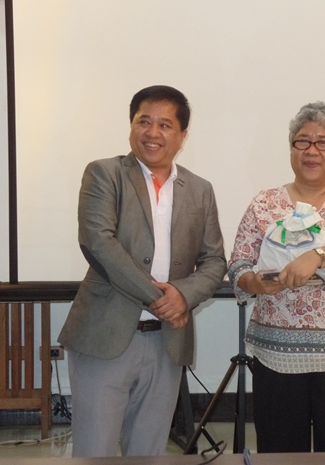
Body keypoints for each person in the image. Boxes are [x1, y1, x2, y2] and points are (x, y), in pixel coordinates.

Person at [58, 85, 227, 457]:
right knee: (95, 452)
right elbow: (98, 242)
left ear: (182, 135)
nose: (152, 133)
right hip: (105, 337)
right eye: (143, 122)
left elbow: (215, 261)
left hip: (167, 343)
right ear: (131, 126)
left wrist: (183, 295)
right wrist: (162, 299)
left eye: (165, 125)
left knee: (149, 453)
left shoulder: (200, 189)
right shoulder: (105, 173)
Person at [228, 101, 325, 453]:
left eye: (323, 142)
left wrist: (317, 256)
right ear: (291, 149)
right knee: (280, 453)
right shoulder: (265, 203)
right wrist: (256, 283)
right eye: (302, 141)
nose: (311, 151)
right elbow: (238, 265)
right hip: (276, 354)